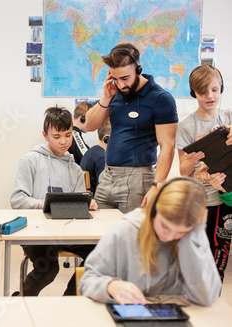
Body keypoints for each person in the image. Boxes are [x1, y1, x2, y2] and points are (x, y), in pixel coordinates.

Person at [79, 178, 221, 307]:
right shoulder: (125, 230)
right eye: (165, 226)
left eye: (180, 232)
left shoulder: (194, 235)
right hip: (129, 313)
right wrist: (110, 285)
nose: (170, 236)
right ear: (153, 212)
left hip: (172, 315)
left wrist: (192, 236)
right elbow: (87, 280)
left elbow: (207, 297)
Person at [10, 107, 97, 296]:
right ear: (45, 135)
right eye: (56, 136)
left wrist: (86, 204)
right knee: (48, 268)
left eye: (67, 135)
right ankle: (22, 299)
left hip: (67, 232)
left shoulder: (74, 168)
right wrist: (48, 205)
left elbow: (78, 203)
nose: (64, 141)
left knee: (100, 253)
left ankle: (69, 299)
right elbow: (17, 200)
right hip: (35, 232)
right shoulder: (29, 161)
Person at [85, 43, 178, 213]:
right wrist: (106, 97)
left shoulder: (161, 98)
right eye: (115, 78)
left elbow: (168, 146)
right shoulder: (115, 93)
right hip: (107, 176)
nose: (120, 85)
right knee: (99, 234)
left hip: (138, 179)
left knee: (130, 237)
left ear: (138, 69)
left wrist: (157, 186)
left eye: (125, 78)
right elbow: (89, 125)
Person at [176, 65, 232, 281]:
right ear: (194, 93)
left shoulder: (228, 116)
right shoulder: (187, 126)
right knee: (196, 255)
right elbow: (183, 171)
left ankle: (212, 298)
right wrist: (189, 161)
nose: (210, 96)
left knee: (219, 257)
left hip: (225, 198)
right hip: (201, 201)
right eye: (203, 92)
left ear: (221, 89)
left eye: (215, 90)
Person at [80, 118, 110, 194]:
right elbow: (103, 189)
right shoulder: (102, 158)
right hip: (96, 202)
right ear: (107, 138)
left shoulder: (92, 151)